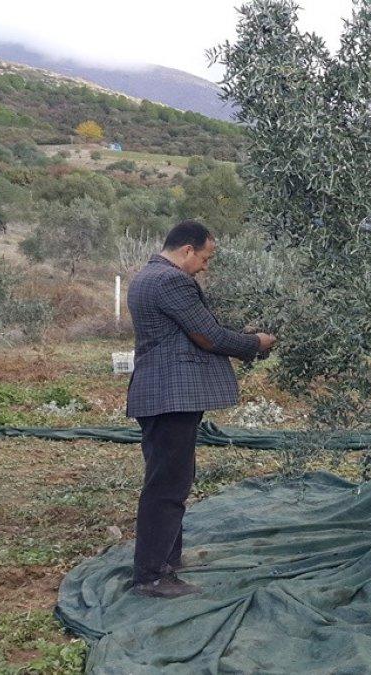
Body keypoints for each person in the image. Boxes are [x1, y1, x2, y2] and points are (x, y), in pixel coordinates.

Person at [125, 220, 276, 598]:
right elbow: (207, 335)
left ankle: (166, 560)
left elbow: (189, 331)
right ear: (187, 250)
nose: (205, 267)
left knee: (168, 478)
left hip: (158, 393)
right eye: (205, 258)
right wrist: (254, 343)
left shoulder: (147, 276)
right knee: (168, 484)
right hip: (170, 396)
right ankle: (153, 575)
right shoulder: (172, 280)